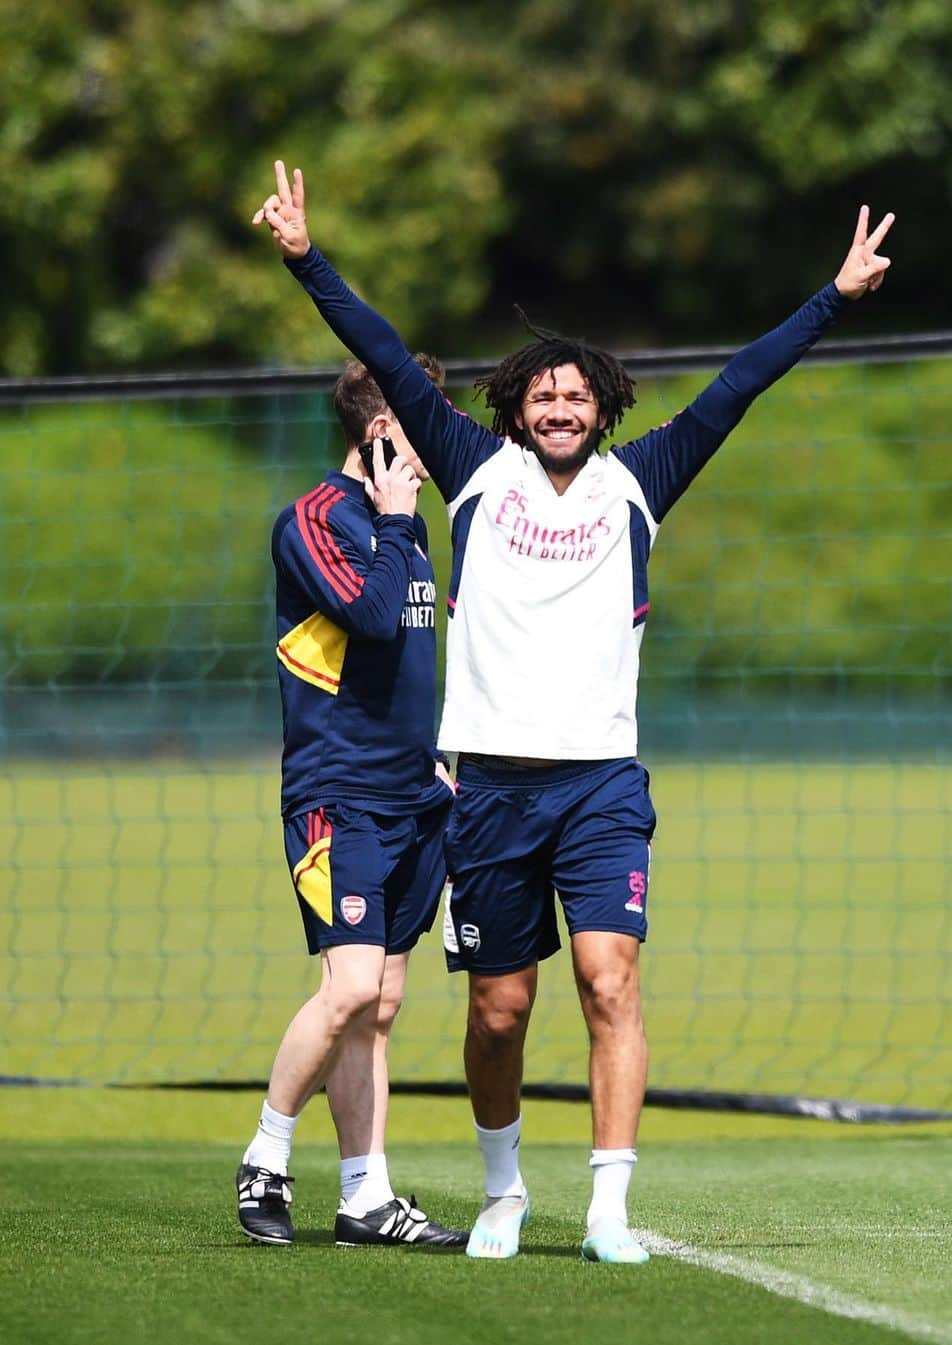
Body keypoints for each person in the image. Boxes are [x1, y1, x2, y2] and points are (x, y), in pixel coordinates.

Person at [253, 161, 894, 1262]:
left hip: (601, 782)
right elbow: (392, 355)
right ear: (516, 407)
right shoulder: (468, 471)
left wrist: (832, 297)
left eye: (576, 395)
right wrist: (309, 261)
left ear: (603, 407)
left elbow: (741, 383)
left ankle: (608, 1206)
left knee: (610, 976)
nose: (560, 407)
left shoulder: (642, 481)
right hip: (490, 789)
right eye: (542, 394)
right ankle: (504, 1193)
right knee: (499, 1010)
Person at [235, 355, 467, 1250]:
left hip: (414, 798)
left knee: (381, 1003)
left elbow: (411, 662)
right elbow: (370, 619)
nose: (437, 440)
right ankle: (266, 1156)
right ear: (380, 432)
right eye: (424, 420)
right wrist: (400, 522)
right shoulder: (318, 520)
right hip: (340, 798)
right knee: (350, 987)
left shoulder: (406, 527)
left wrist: (439, 765)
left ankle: (366, 1197)